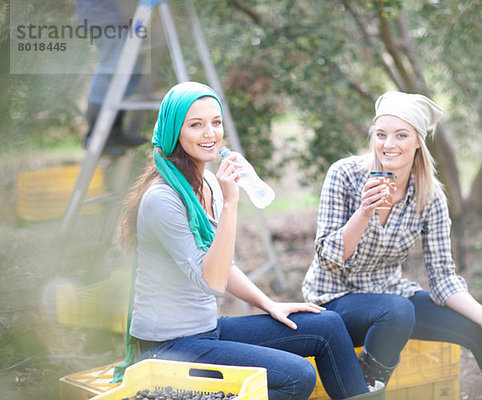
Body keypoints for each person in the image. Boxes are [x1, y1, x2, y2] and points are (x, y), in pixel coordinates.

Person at [120, 82, 382, 400]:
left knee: (326, 325)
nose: (210, 134)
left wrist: (270, 305)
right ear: (176, 131)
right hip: (168, 348)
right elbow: (212, 281)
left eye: (216, 123)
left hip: (206, 330)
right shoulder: (161, 199)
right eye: (196, 125)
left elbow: (223, 266)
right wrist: (231, 204)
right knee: (297, 376)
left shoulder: (209, 185)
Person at [302, 91, 482, 399]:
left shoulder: (430, 196)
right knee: (397, 310)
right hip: (335, 302)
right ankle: (365, 390)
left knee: (479, 330)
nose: (389, 144)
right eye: (381, 134)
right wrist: (363, 213)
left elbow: (443, 278)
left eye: (401, 135)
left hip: (390, 299)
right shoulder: (344, 176)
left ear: (418, 141)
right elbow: (327, 259)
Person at [75, 0, 147, 155]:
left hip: (114, 14)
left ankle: (114, 131)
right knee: (111, 67)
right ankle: (95, 134)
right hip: (104, 15)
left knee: (132, 69)